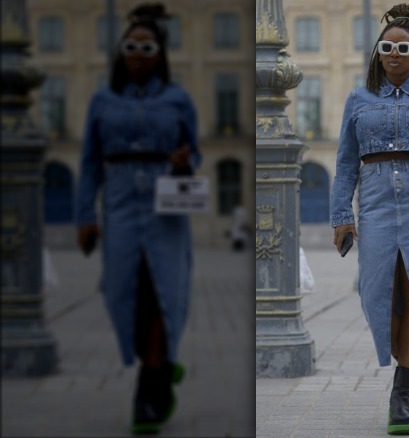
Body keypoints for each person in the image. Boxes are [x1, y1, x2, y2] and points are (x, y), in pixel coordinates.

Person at [330, 3, 409, 435]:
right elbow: (346, 162)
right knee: (377, 294)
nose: (395, 54)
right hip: (377, 201)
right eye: (387, 47)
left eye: (403, 47)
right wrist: (342, 216)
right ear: (378, 54)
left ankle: (403, 392)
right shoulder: (358, 99)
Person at [74, 3, 199, 434]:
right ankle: (161, 364)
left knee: (165, 289)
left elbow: (195, 152)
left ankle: (151, 385)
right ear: (121, 52)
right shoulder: (102, 100)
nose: (139, 54)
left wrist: (185, 160)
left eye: (147, 46)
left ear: (159, 51)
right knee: (120, 289)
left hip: (165, 202)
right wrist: (84, 215)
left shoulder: (178, 98)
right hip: (122, 198)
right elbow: (89, 161)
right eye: (131, 46)